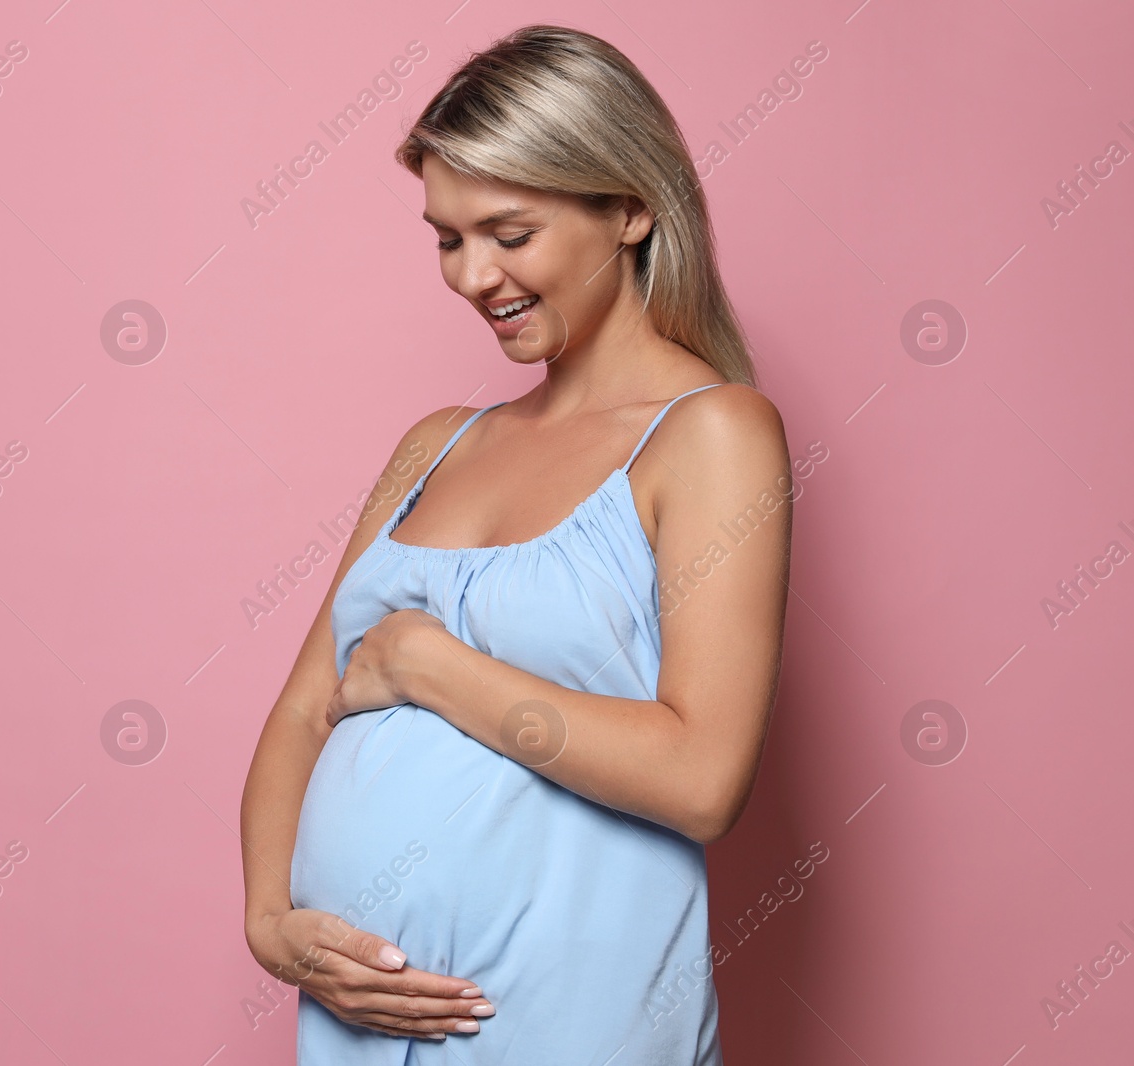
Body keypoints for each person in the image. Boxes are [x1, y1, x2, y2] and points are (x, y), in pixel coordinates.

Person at [240, 23, 792, 1064]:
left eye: (509, 232)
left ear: (628, 207)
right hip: (362, 1024)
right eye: (447, 238)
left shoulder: (710, 435)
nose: (469, 274)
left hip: (572, 1021)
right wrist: (275, 927)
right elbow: (303, 712)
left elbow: (702, 777)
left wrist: (426, 664)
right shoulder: (435, 445)